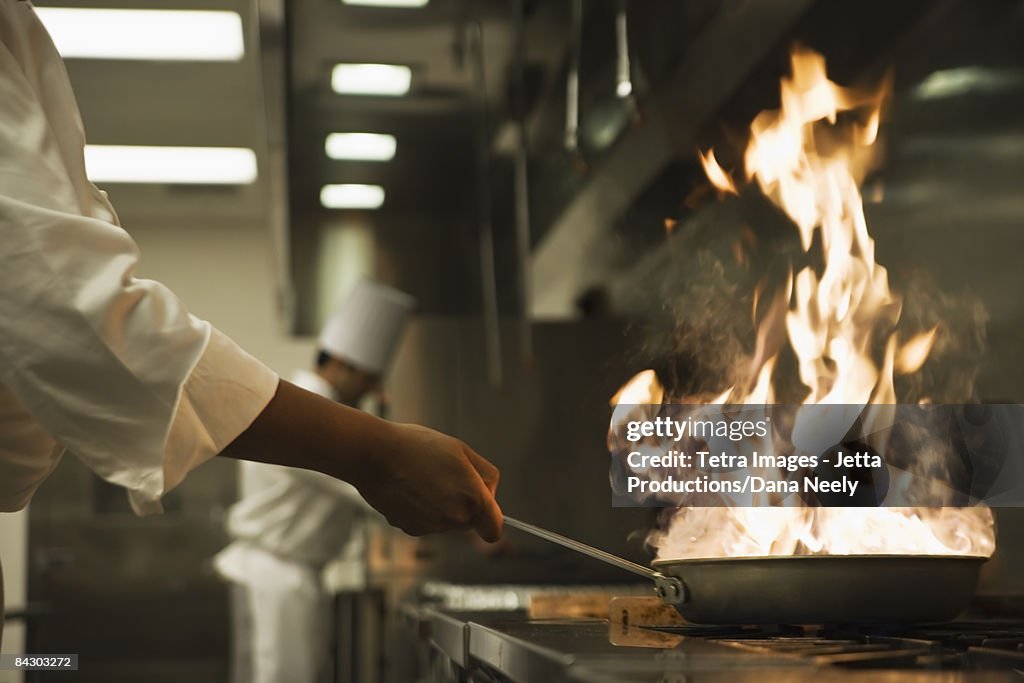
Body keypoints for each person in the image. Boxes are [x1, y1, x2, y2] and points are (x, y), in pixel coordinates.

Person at [0, 0, 502, 648]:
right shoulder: (315, 402)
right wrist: (380, 451)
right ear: (346, 361)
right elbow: (65, 308)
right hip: (276, 574)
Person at [215, 280, 417, 683]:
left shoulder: (312, 406)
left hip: (282, 575)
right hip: (278, 578)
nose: (375, 389)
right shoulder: (315, 412)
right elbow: (372, 480)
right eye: (370, 377)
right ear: (341, 363)